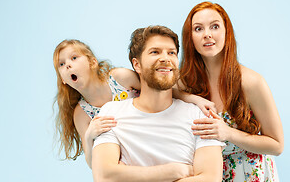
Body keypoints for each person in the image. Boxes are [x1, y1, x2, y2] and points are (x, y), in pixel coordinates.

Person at [91, 25, 225, 182]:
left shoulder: (199, 116)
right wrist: (177, 171)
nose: (165, 58)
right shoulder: (111, 113)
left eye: (171, 53)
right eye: (155, 52)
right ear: (136, 64)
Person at [179, 1, 284, 182]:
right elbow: (154, 88)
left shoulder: (251, 82)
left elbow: (277, 144)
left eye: (215, 26)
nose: (207, 34)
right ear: (190, 38)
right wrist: (194, 99)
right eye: (198, 29)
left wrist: (227, 133)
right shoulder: (185, 83)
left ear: (227, 32)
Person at [53, 39, 215, 168]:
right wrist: (89, 136)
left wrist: (194, 99)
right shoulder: (81, 113)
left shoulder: (120, 78)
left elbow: (161, 90)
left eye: (74, 58)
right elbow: (92, 164)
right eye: (61, 64)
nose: (68, 64)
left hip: (157, 138)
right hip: (129, 160)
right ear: (63, 79)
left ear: (92, 62)